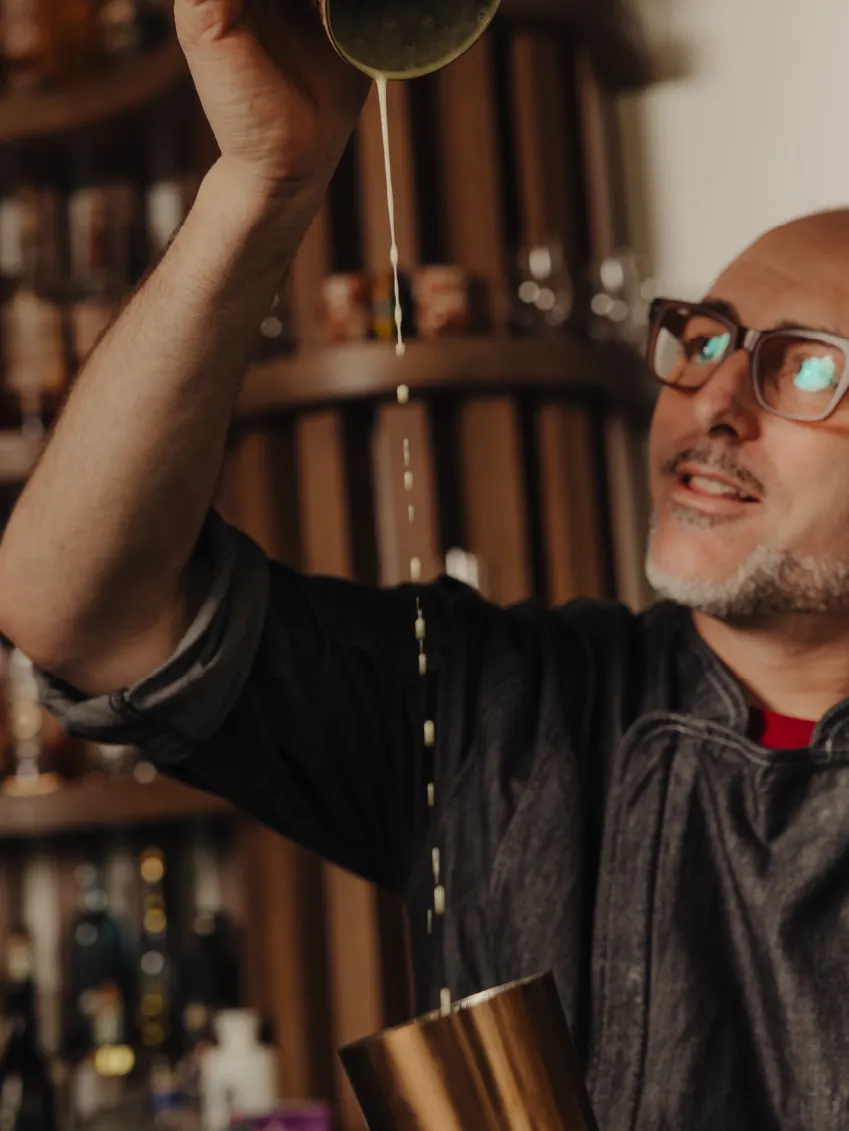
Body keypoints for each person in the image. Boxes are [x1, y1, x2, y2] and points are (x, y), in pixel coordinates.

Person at [0, 0, 848, 1126]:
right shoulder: (506, 709)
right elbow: (77, 610)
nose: (712, 405)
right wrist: (264, 182)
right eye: (702, 340)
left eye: (805, 370)